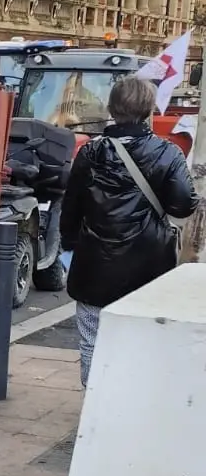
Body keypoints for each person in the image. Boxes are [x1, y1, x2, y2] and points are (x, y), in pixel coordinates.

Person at [59, 75, 199, 386]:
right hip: (149, 266)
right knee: (144, 337)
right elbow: (183, 206)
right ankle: (132, 399)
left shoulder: (90, 153)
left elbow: (71, 208)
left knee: (92, 341)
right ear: (149, 109)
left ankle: (94, 404)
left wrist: (69, 244)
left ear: (111, 108)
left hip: (95, 264)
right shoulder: (167, 154)